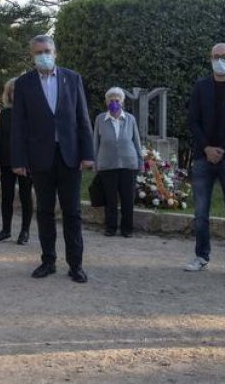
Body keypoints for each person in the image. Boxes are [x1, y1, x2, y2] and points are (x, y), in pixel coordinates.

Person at [11, 34, 95, 283]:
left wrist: (87, 154)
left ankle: (76, 264)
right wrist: (18, 159)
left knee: (73, 212)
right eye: (38, 52)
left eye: (47, 51)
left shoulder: (72, 78)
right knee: (45, 211)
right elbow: (19, 124)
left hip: (70, 157)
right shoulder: (24, 83)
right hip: (40, 158)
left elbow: (82, 119)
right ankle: (48, 261)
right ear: (32, 56)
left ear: (55, 53)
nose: (43, 55)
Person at [184, 44, 225, 280]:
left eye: (224, 57)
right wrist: (207, 148)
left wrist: (222, 148)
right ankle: (201, 255)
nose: (219, 60)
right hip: (204, 156)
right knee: (200, 212)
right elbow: (193, 121)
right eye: (215, 57)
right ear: (210, 59)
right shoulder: (201, 87)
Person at [93, 87, 145, 238]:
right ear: (106, 102)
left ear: (122, 102)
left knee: (127, 199)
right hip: (107, 164)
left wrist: (140, 161)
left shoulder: (130, 119)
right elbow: (95, 141)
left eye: (117, 100)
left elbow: (136, 141)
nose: (114, 103)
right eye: (111, 100)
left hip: (128, 164)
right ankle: (110, 228)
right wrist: (95, 162)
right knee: (110, 199)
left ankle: (127, 229)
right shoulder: (100, 119)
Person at [0, 77, 32, 245]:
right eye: (13, 91)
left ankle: (25, 231)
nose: (16, 94)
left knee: (25, 196)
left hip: (26, 162)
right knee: (6, 197)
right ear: (8, 94)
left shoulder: (32, 113)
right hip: (6, 161)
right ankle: (6, 230)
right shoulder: (5, 114)